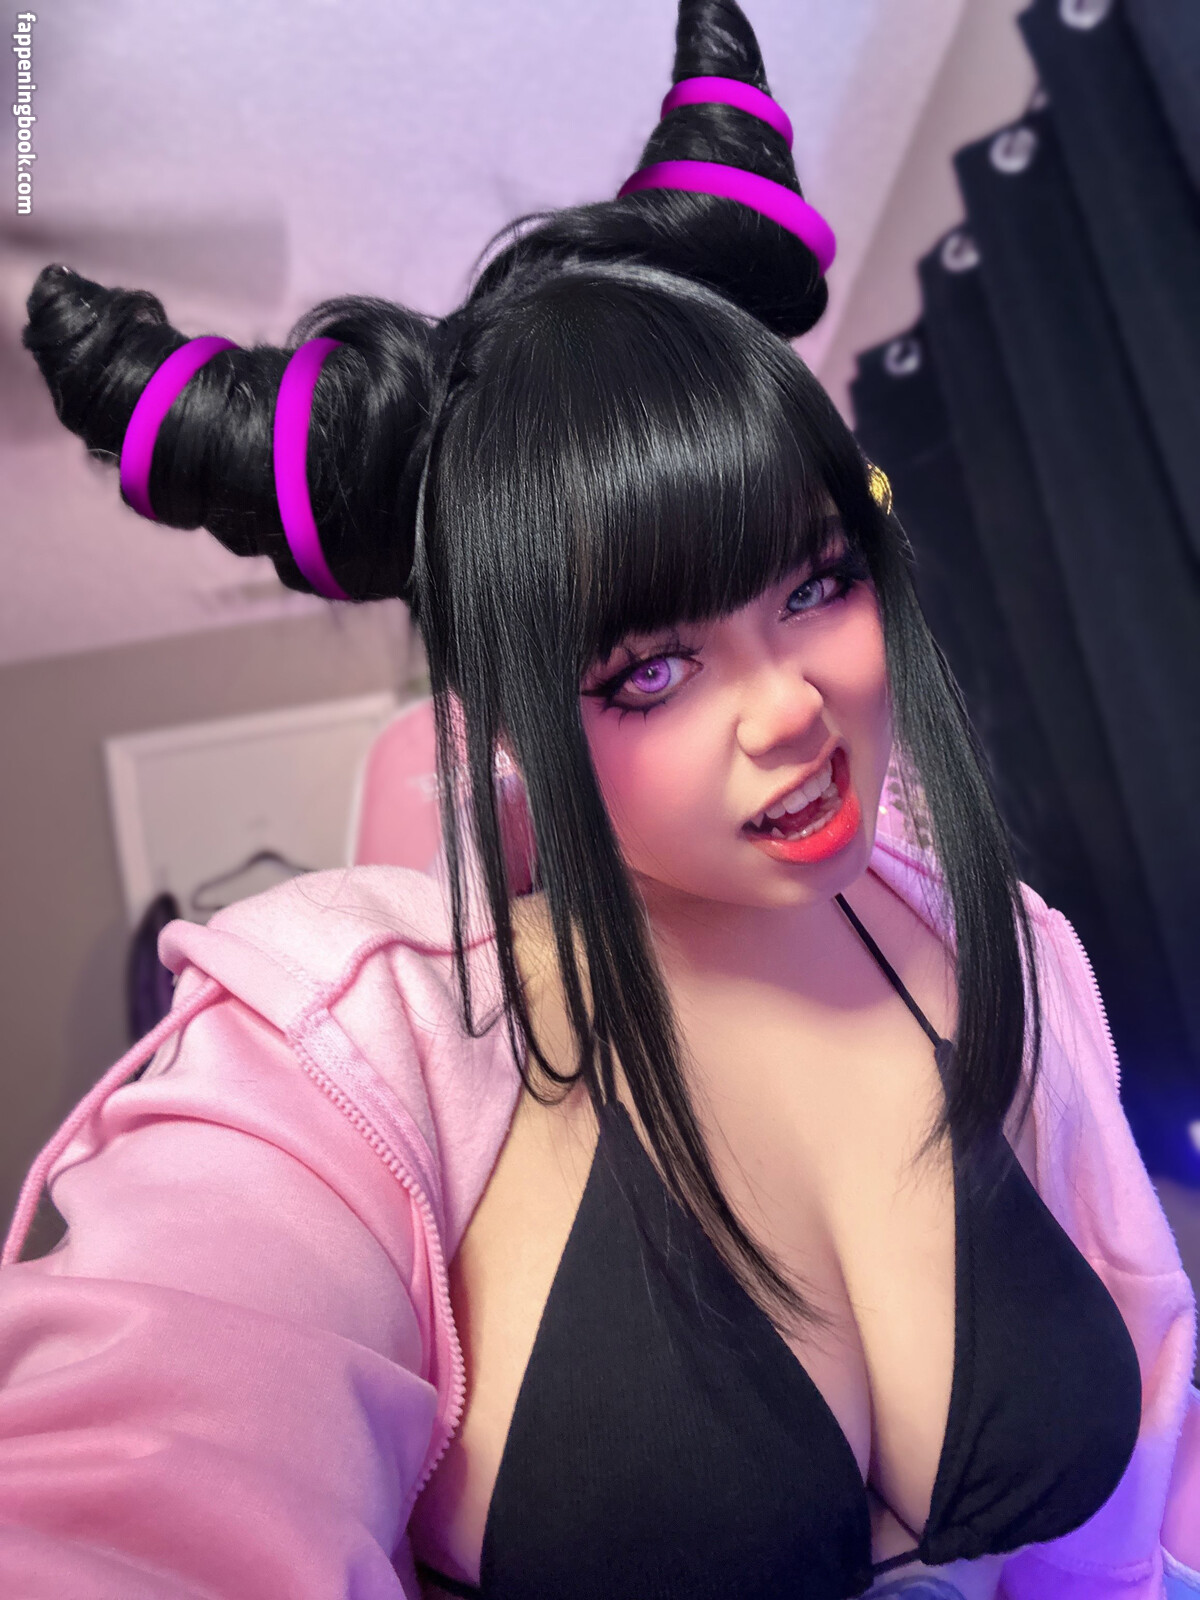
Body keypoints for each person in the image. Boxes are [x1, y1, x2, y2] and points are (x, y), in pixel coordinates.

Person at [2, 2, 1197, 1596]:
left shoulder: (1014, 955)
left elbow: (1158, 1464)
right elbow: (122, 1501)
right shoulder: (344, 1056)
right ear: (506, 720)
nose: (790, 707)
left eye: (815, 583)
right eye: (651, 669)